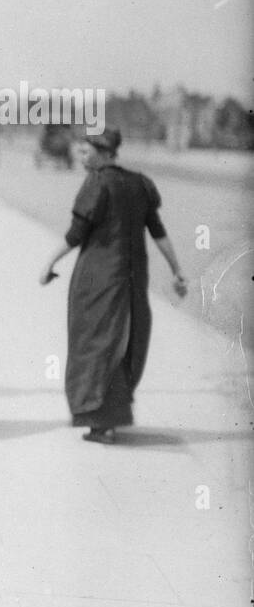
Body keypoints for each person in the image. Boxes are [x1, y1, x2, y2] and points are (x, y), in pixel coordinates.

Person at [39, 128, 187, 443]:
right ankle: (109, 420)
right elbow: (158, 231)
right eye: (79, 151)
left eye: (86, 151)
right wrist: (176, 269)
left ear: (105, 153)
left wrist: (49, 262)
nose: (81, 156)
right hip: (133, 278)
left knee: (94, 343)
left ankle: (100, 422)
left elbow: (76, 234)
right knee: (123, 341)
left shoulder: (97, 183)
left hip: (97, 278)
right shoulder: (140, 184)